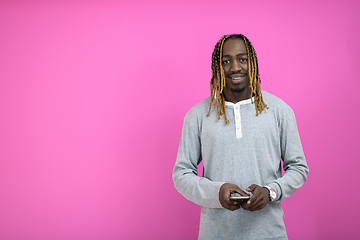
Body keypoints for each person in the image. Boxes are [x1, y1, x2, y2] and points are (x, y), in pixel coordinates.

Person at [172, 34, 309, 240]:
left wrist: (271, 191)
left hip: (269, 234)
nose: (235, 67)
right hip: (215, 234)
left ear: (252, 62)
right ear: (218, 67)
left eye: (242, 59)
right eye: (226, 61)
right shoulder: (198, 115)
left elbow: (299, 168)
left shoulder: (280, 111)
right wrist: (216, 193)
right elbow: (181, 174)